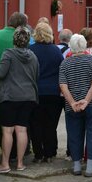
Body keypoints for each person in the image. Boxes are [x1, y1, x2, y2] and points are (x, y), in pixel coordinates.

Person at [0, 27, 39, 174]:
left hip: (10, 96)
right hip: (28, 96)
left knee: (8, 131)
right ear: (28, 40)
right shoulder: (33, 56)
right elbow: (36, 75)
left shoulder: (8, 54)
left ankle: (5, 164)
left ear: (14, 39)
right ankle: (21, 163)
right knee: (22, 130)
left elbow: (0, 73)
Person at [59, 34, 92, 177]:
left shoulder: (65, 63)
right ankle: (90, 168)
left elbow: (63, 86)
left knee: (74, 134)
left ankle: (77, 166)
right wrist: (87, 100)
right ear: (84, 45)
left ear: (71, 46)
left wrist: (72, 102)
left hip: (72, 105)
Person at [29, 22, 64, 163]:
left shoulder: (31, 50)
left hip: (35, 91)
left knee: (35, 124)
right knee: (50, 124)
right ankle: (50, 153)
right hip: (53, 92)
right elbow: (61, 70)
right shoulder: (56, 51)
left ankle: (38, 153)